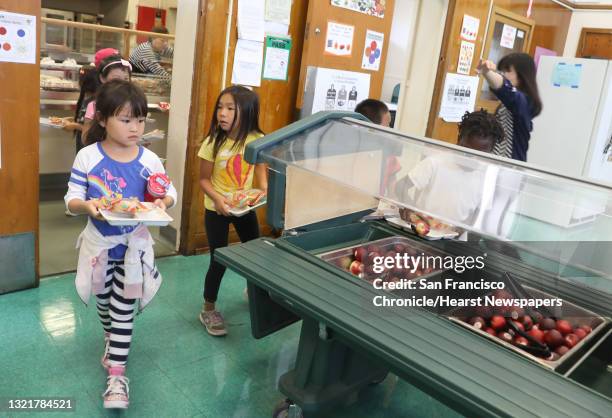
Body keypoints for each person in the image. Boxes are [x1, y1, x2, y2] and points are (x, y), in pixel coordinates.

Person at [64, 80, 177, 409]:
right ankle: (111, 338)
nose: (135, 127)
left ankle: (117, 376)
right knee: (104, 306)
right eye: (126, 120)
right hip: (99, 247)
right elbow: (72, 198)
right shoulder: (88, 157)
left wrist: (163, 203)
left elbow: (167, 192)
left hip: (133, 250)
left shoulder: (149, 160)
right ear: (102, 120)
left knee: (123, 309)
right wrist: (87, 206)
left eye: (140, 120)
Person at [197, 85, 267, 336]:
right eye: (220, 107)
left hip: (244, 207)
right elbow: (203, 179)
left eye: (229, 108)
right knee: (219, 259)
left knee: (254, 253)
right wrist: (217, 199)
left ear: (247, 112)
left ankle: (254, 290)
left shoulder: (257, 139)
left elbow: (260, 170)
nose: (222, 114)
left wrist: (263, 191)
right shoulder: (212, 142)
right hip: (216, 208)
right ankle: (208, 307)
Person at [397, 110, 504, 225]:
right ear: (459, 141)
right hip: (423, 230)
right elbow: (401, 186)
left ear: (490, 152)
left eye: (479, 156)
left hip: (455, 236)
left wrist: (463, 229)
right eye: (466, 151)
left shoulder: (487, 177)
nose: (470, 160)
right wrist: (409, 207)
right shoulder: (436, 162)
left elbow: (479, 213)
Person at [477, 53, 542, 162]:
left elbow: (506, 90)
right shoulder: (514, 100)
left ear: (522, 75)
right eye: (502, 70)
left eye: (508, 70)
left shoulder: (524, 101)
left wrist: (487, 72)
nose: (504, 74)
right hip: (500, 164)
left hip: (510, 166)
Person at [82, 55, 132, 144]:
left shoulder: (131, 105)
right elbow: (85, 138)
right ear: (102, 78)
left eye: (126, 79)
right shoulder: (94, 105)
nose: (122, 83)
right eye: (116, 79)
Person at [61, 67, 100, 153]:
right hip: (81, 143)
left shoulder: (95, 102)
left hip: (89, 145)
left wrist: (74, 125)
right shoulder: (86, 99)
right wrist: (70, 119)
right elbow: (84, 117)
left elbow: (92, 128)